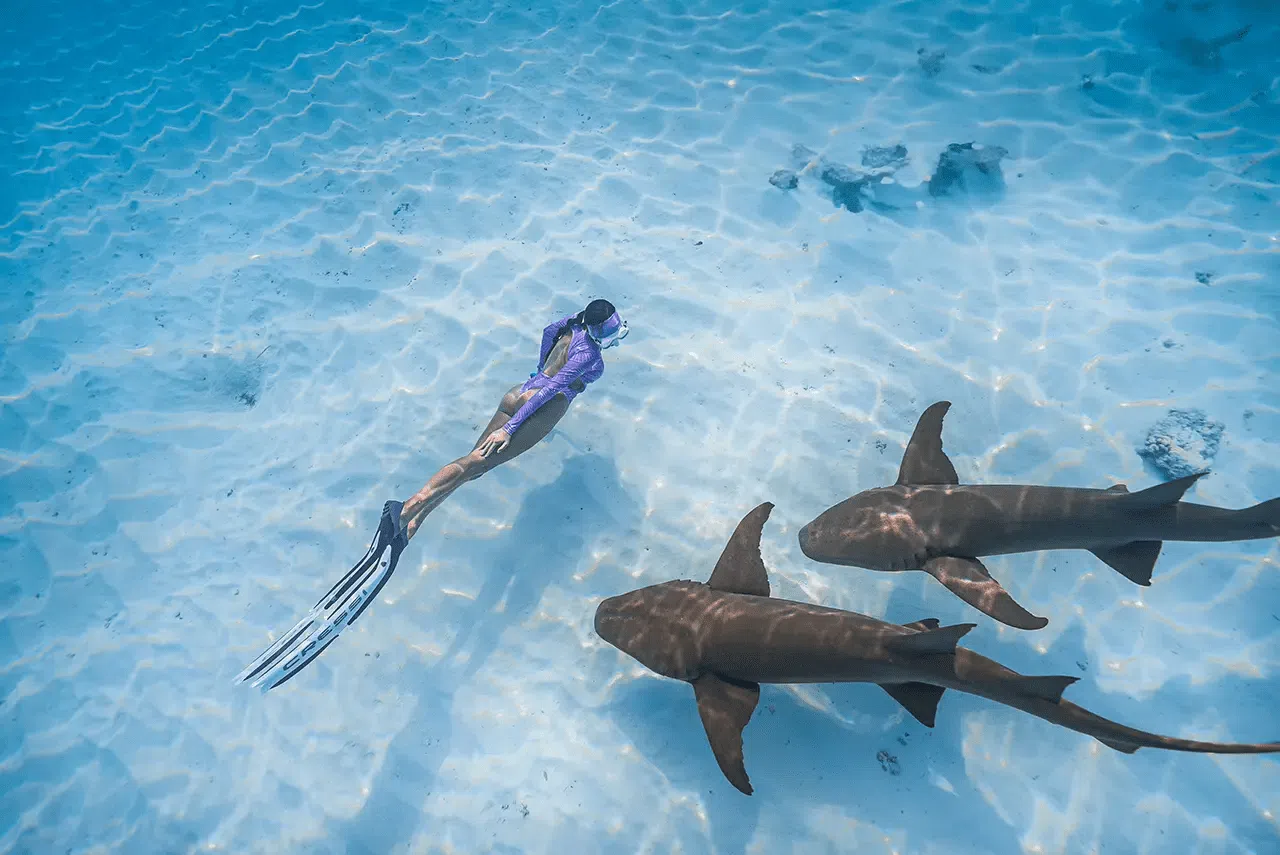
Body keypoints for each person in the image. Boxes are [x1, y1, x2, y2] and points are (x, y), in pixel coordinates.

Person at [235, 299, 629, 691]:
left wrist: (536, 374)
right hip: (540, 408)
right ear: (599, 329)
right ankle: (408, 506)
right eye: (609, 332)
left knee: (471, 463)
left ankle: (414, 521)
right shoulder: (590, 355)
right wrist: (511, 429)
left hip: (520, 390)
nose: (610, 339)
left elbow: (546, 337)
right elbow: (556, 390)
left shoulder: (567, 326)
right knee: (478, 465)